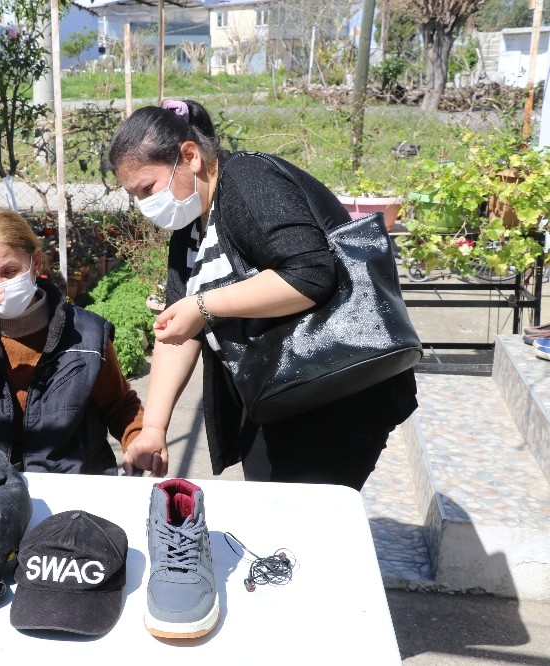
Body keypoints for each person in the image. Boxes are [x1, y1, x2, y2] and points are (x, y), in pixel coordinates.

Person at [108, 99, 418, 490]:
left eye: (147, 188)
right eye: (134, 195)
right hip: (280, 392)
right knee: (273, 514)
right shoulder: (188, 229)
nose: (144, 205)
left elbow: (310, 274)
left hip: (337, 392)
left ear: (190, 157)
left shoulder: (247, 180)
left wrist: (203, 306)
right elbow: (177, 328)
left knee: (296, 529)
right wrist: (153, 428)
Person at [0, 204, 152, 475]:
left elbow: (119, 405)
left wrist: (138, 439)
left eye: (10, 271)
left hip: (68, 481)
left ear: (35, 263)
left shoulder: (86, 332)